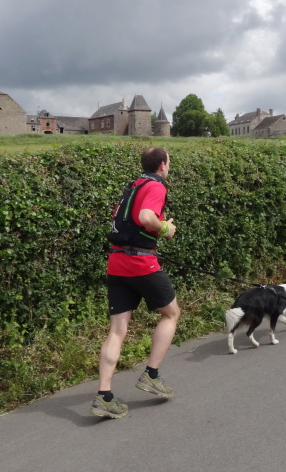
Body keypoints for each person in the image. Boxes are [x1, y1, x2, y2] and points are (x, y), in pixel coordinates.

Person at [90, 146, 181, 419]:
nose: (168, 166)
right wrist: (166, 228)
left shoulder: (132, 186)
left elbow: (134, 221)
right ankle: (151, 375)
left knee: (117, 330)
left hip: (116, 261)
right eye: (168, 162)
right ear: (162, 165)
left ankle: (104, 396)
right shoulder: (156, 186)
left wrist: (158, 227)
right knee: (171, 313)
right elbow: (145, 218)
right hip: (140, 262)